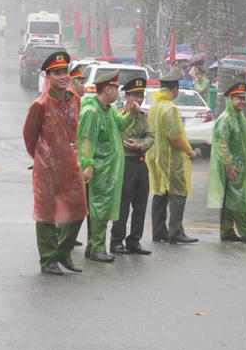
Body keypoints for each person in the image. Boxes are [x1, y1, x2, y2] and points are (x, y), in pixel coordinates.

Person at [23, 50, 87, 275]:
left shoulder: (76, 101)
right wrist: (41, 157)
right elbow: (30, 136)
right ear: (48, 77)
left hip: (71, 165)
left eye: (64, 72)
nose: (62, 76)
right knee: (47, 213)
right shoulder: (40, 105)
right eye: (56, 73)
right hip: (48, 167)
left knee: (78, 209)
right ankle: (48, 259)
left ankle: (64, 251)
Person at [78, 69, 134, 262]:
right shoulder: (92, 111)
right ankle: (97, 248)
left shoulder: (107, 110)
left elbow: (120, 125)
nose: (117, 92)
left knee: (101, 208)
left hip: (108, 170)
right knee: (98, 208)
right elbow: (86, 141)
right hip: (99, 170)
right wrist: (88, 164)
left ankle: (93, 246)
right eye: (115, 88)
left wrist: (130, 114)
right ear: (107, 89)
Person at [148, 70, 199, 243]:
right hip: (171, 159)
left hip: (157, 158)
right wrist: (189, 151)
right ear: (175, 88)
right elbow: (175, 136)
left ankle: (159, 231)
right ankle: (175, 231)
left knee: (160, 193)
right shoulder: (169, 108)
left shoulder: (155, 106)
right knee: (178, 194)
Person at [209, 82, 246, 243]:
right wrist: (229, 165)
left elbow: (245, 143)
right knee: (237, 199)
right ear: (229, 99)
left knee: (230, 199)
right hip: (231, 167)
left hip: (240, 165)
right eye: (238, 98)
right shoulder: (225, 120)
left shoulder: (239, 118)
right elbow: (222, 144)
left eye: (243, 98)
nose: (242, 101)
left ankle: (226, 231)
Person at [111, 77, 153, 255]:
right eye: (135, 95)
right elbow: (125, 138)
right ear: (127, 97)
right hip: (126, 163)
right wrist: (137, 143)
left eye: (141, 96)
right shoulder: (120, 116)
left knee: (140, 205)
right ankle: (116, 241)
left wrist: (141, 146)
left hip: (141, 163)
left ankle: (134, 240)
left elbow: (151, 136)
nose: (138, 99)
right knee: (123, 205)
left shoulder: (143, 116)